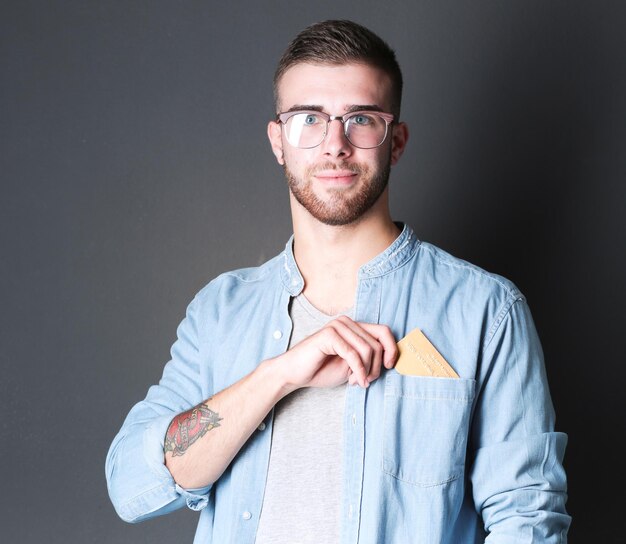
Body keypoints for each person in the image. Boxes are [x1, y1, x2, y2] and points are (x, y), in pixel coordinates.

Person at [106, 19, 570, 543]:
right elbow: (132, 484)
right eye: (309, 119)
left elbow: (527, 520)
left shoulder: (486, 309)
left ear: (395, 142)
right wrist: (278, 376)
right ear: (278, 141)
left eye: (362, 119)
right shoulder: (220, 310)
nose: (335, 145)